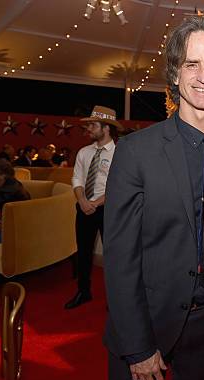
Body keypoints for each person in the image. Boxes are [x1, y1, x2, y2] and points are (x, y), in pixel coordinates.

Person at [103, 16, 204, 380]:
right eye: (191, 64)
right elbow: (119, 259)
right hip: (147, 323)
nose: (203, 77)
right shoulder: (136, 152)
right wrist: (138, 346)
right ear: (175, 73)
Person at [64, 106, 122, 309]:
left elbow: (119, 185)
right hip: (84, 207)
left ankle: (115, 298)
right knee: (84, 252)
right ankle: (83, 291)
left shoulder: (120, 153)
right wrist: (82, 201)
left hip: (109, 210)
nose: (88, 128)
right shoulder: (84, 152)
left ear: (106, 127)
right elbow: (77, 177)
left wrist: (96, 203)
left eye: (93, 125)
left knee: (113, 255)